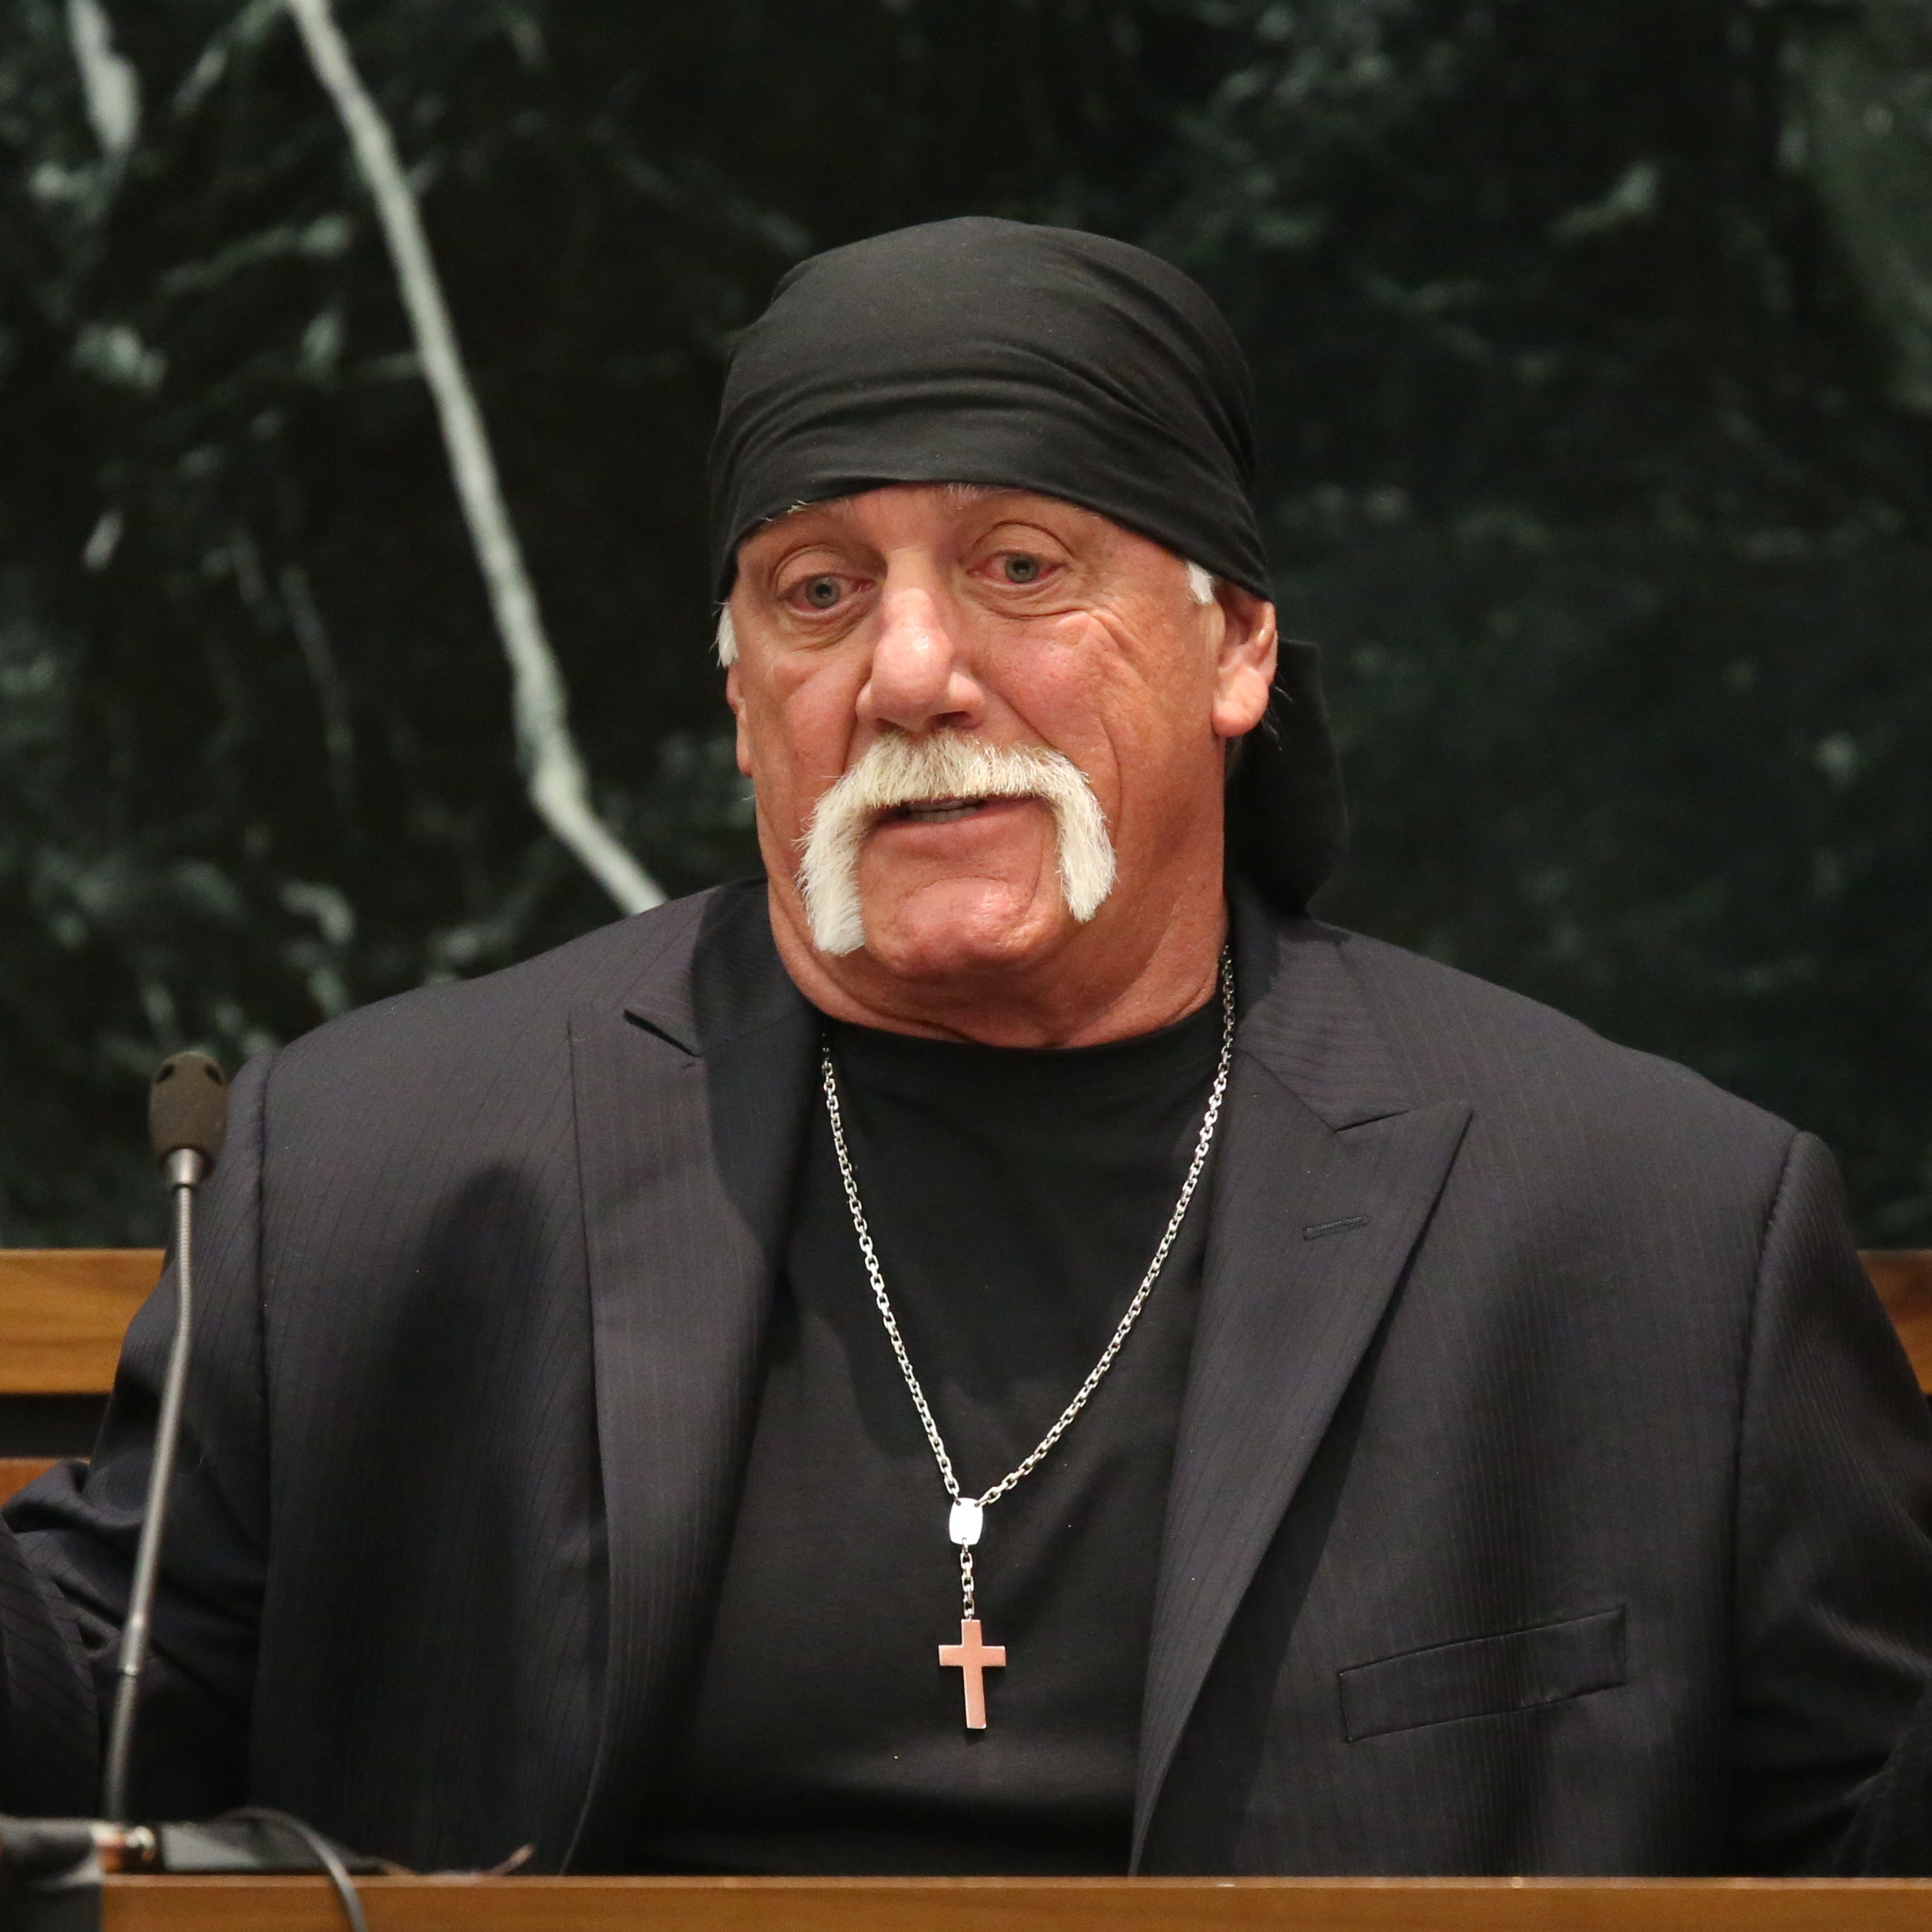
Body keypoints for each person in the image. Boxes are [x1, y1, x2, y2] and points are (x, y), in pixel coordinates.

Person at [4, 216, 1931, 1878]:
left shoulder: (1646, 1232)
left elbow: (1867, 1868)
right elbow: (87, 1740)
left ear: (1237, 647)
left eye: (1021, 566)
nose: (911, 674)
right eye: (818, 591)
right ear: (746, 701)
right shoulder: (375, 1171)